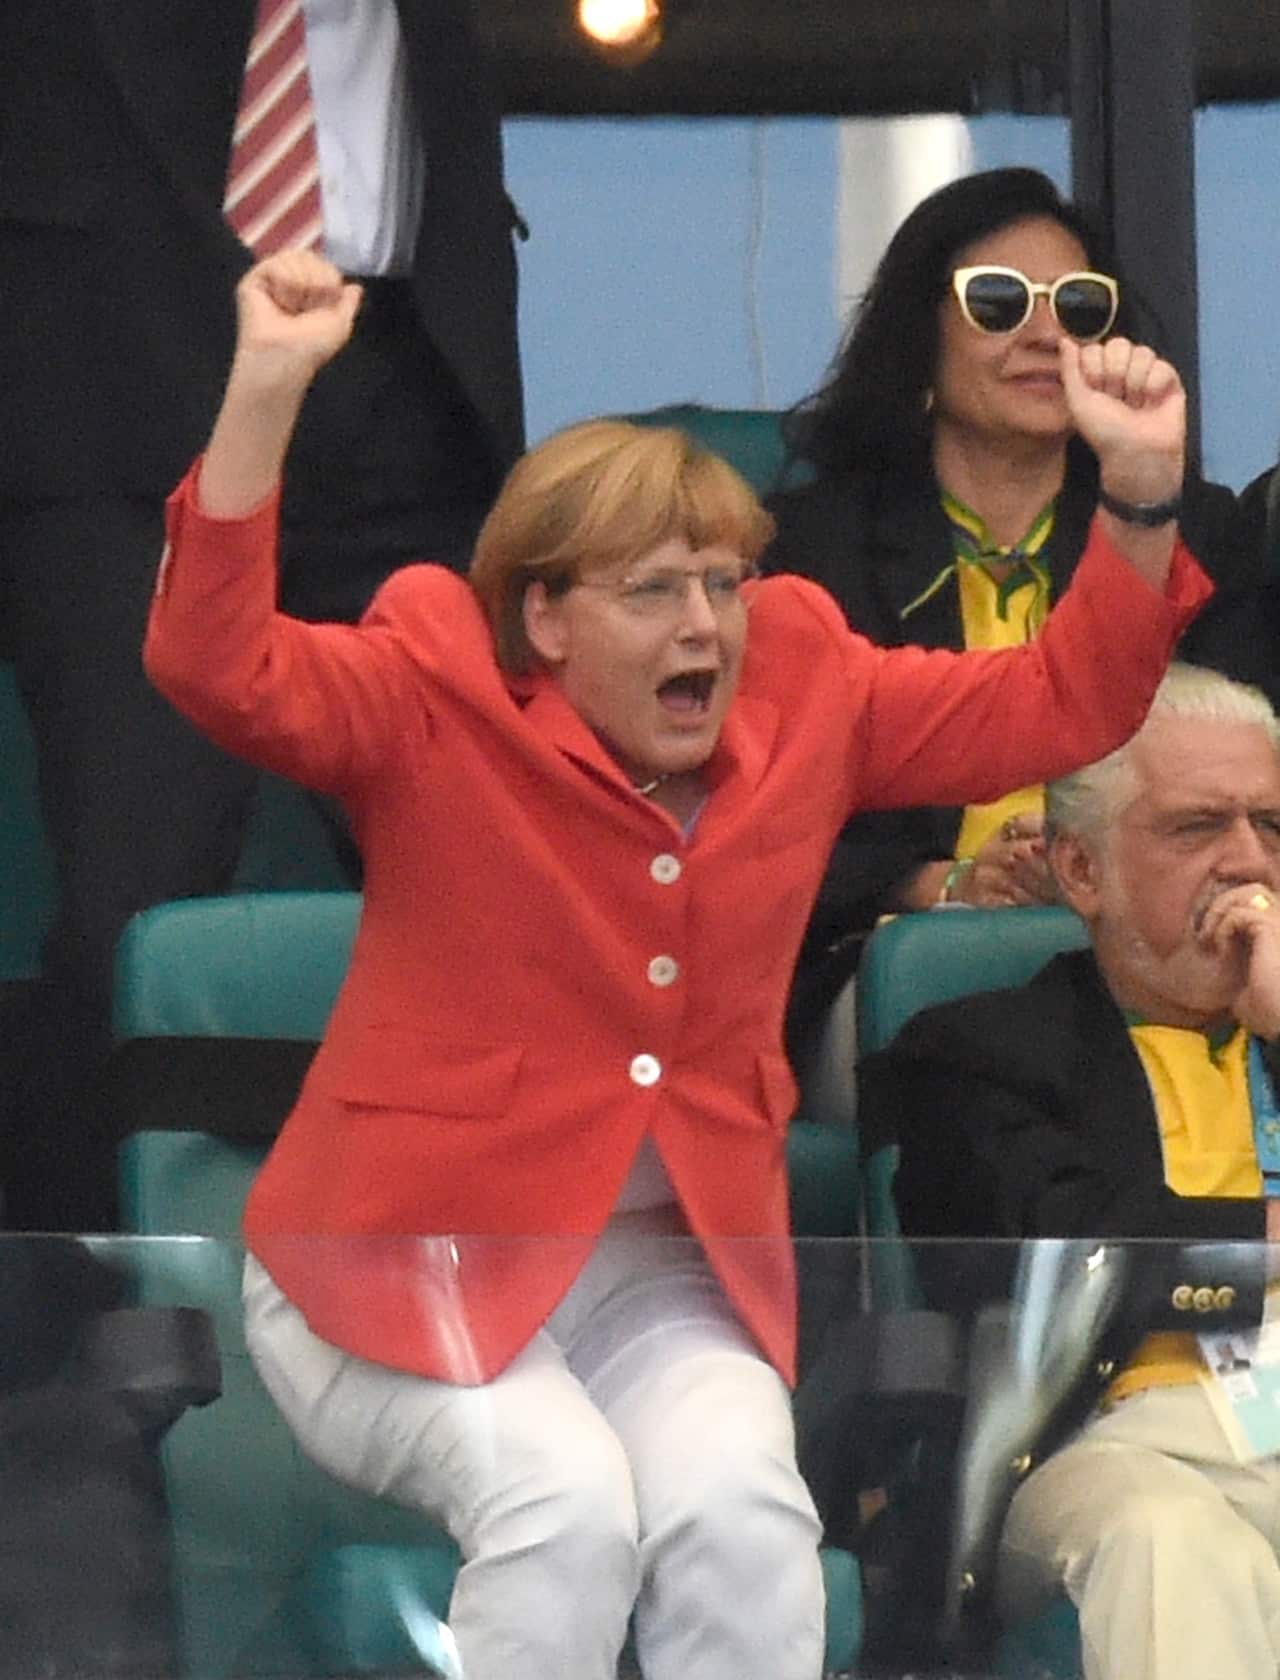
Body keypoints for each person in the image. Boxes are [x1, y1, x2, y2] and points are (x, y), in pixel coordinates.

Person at [143, 245, 1205, 1680]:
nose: (707, 622)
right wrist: (265, 388)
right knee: (565, 1507)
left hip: (660, 1267)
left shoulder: (805, 681)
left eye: (725, 580)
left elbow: (1064, 697)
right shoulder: (433, 689)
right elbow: (213, 662)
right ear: (544, 617)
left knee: (744, 1515)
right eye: (654, 591)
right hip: (398, 1253)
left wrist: (1136, 496)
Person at [0, 0, 523, 1229]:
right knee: (140, 892)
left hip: (399, 385)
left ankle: (494, 1262)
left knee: (494, 871)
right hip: (121, 393)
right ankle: (91, 1314)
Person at [763, 167, 1252, 1049]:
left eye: (1078, 306)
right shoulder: (807, 552)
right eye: (998, 302)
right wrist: (939, 885)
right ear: (922, 333)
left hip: (1169, 945)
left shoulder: (1189, 531)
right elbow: (756, 823)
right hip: (899, 963)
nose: (1044, 333)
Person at [859, 663, 1280, 1680]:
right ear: (1080, 872)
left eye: (1270, 826)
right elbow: (1072, 1257)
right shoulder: (978, 1048)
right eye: (1195, 829)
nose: (1246, 864)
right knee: (1159, 1534)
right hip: (1098, 1437)